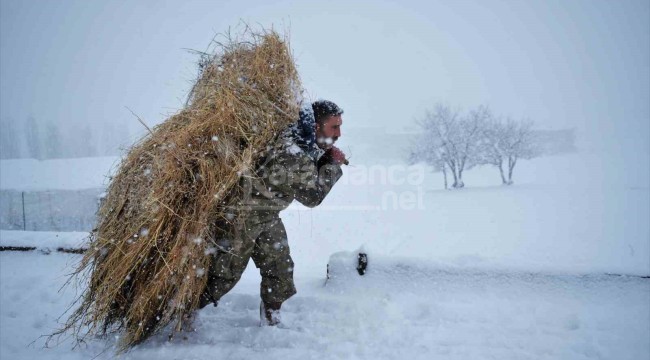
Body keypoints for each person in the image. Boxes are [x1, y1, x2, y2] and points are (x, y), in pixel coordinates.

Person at [199, 100, 346, 326]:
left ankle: (271, 316)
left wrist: (324, 157)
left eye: (340, 127)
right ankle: (180, 311)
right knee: (223, 276)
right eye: (334, 127)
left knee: (280, 267)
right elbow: (312, 196)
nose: (338, 134)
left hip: (266, 214)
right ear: (316, 126)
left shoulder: (301, 141)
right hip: (243, 215)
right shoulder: (291, 152)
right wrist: (332, 165)